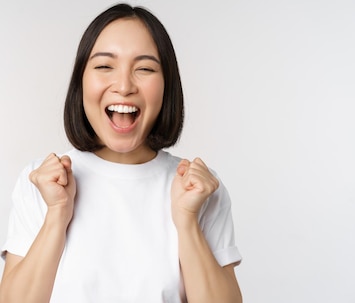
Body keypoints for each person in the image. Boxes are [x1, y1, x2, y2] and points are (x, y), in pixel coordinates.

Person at [0, 3, 242, 303]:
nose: (124, 86)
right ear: (81, 81)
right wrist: (56, 216)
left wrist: (188, 220)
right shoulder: (40, 182)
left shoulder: (201, 189)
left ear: (167, 85)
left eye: (145, 68)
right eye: (104, 66)